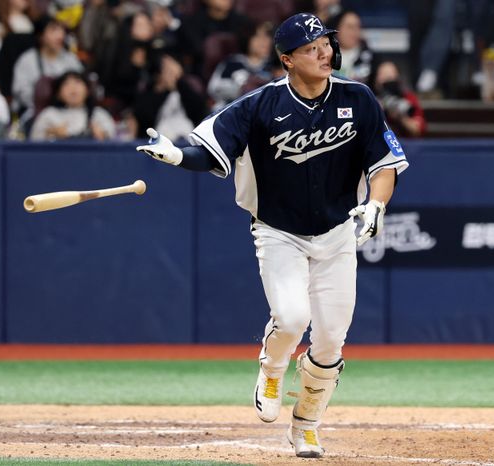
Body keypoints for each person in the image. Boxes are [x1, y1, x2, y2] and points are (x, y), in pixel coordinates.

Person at [136, 12, 408, 458]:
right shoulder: (259, 105)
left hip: (337, 233)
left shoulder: (357, 98)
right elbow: (210, 151)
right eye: (311, 48)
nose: (324, 53)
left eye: (325, 43)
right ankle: (273, 366)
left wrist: (376, 204)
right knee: (293, 316)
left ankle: (307, 425)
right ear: (287, 59)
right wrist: (177, 155)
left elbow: (385, 163)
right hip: (279, 231)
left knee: (331, 340)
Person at [29, 70, 116, 140]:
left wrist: (102, 137)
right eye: (66, 84)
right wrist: (52, 133)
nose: (72, 88)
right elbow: (34, 142)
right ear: (58, 94)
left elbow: (114, 141)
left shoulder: (99, 114)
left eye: (77, 82)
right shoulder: (49, 114)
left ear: (87, 91)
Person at [206, 21, 274, 111]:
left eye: (267, 37)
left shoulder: (277, 65)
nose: (264, 41)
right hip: (231, 111)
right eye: (258, 37)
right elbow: (214, 88)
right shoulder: (233, 63)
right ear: (247, 39)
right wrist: (242, 89)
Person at [370, 60, 426, 138]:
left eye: (389, 76)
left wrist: (401, 117)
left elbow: (417, 130)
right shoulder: (370, 99)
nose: (386, 79)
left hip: (404, 143)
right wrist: (377, 112)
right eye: (382, 75)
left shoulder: (408, 98)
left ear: (398, 78)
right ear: (376, 79)